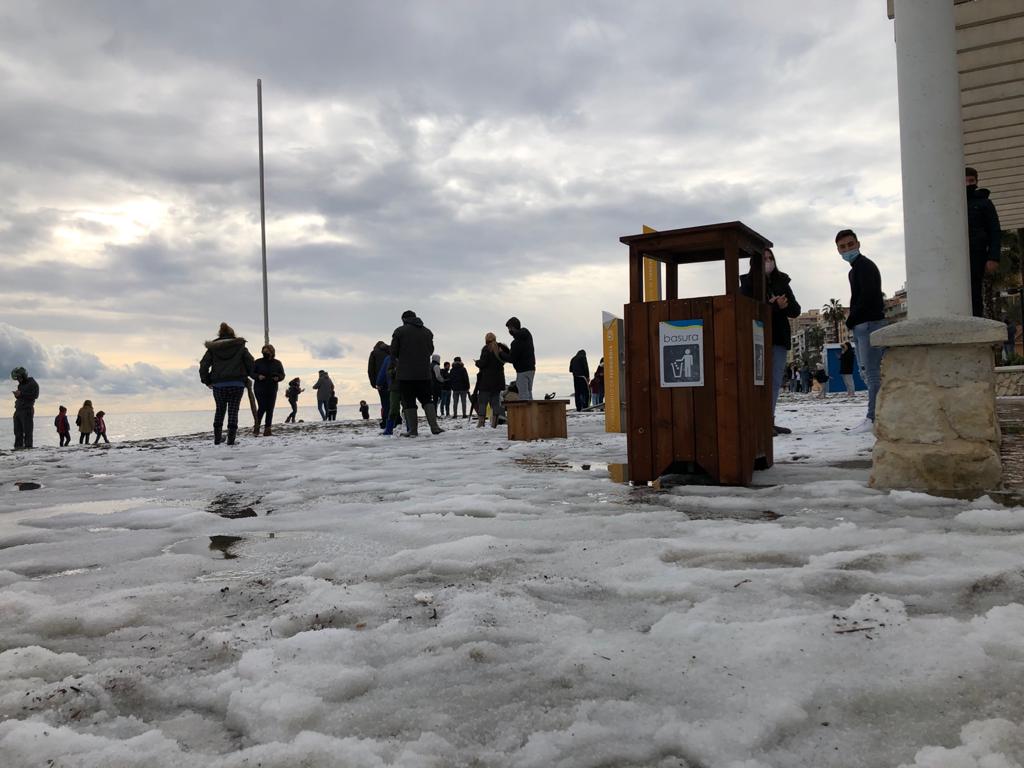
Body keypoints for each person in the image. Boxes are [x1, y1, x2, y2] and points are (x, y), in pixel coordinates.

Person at [740, 248, 802, 435]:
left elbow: (795, 310)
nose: (768, 261)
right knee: (757, 382)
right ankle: (757, 422)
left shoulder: (782, 281)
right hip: (756, 338)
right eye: (764, 259)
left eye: (770, 258)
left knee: (774, 382)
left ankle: (769, 421)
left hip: (778, 338)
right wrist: (773, 306)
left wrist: (783, 305)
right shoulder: (748, 283)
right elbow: (746, 309)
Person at [836, 229, 886, 433]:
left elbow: (867, 297)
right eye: (842, 247)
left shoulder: (864, 266)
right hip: (863, 325)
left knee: (872, 374)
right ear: (838, 250)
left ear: (858, 243)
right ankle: (876, 415)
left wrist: (851, 320)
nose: (847, 249)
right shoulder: (854, 270)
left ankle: (873, 418)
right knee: (868, 373)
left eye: (850, 244)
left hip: (870, 324)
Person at [199, 322, 255, 445]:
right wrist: (250, 376)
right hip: (237, 384)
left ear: (220, 334)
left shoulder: (213, 348)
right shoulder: (240, 346)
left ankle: (217, 439)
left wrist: (207, 381)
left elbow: (203, 365)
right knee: (233, 411)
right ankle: (231, 440)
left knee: (220, 410)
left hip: (218, 385)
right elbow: (250, 362)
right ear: (232, 333)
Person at [390, 310, 443, 436]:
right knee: (427, 400)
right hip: (424, 373)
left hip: (405, 374)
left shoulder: (399, 331)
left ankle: (413, 430)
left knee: (409, 402)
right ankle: (435, 427)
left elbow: (393, 352)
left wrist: (397, 363)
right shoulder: (427, 332)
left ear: (404, 319)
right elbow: (430, 350)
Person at [965, 167, 1002, 319]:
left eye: (971, 181)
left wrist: (993, 257)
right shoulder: (952, 202)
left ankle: (976, 320)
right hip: (956, 253)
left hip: (977, 252)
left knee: (975, 290)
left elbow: (995, 230)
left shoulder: (985, 203)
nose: (968, 184)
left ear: (977, 181)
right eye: (965, 181)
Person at [475, 332, 510, 428]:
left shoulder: (486, 349)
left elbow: (483, 363)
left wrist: (477, 363)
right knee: (495, 402)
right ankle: (494, 423)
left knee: (483, 402)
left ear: (486, 339)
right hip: (498, 380)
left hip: (486, 380)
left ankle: (481, 422)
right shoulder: (500, 348)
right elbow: (507, 356)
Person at [253, 344, 285, 436]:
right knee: (262, 407)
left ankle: (268, 429)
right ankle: (256, 427)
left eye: (267, 351)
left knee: (270, 408)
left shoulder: (277, 363)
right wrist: (258, 376)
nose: (265, 353)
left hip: (272, 387)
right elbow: (251, 373)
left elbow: (282, 374)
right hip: (259, 388)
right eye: (263, 351)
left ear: (272, 352)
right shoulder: (258, 362)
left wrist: (278, 378)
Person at [504, 317, 536, 400]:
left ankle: (526, 409)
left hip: (522, 371)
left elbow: (512, 358)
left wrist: (501, 353)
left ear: (512, 327)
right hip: (531, 369)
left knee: (523, 395)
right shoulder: (527, 335)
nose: (509, 331)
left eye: (509, 328)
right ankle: (532, 408)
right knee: (529, 392)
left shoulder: (516, 342)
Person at [10, 367, 39, 450]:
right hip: (18, 410)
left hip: (27, 410)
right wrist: (17, 396)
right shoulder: (20, 384)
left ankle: (28, 449)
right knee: (17, 432)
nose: (18, 380)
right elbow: (22, 397)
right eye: (17, 378)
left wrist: (21, 394)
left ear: (24, 376)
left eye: (18, 378)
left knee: (27, 432)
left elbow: (35, 395)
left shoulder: (32, 383)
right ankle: (18, 448)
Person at [368, 341, 390, 428]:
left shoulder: (374, 353)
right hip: (393, 380)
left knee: (385, 402)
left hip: (381, 381)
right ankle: (397, 419)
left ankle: (385, 421)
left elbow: (371, 370)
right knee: (394, 401)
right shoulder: (391, 351)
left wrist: (374, 384)